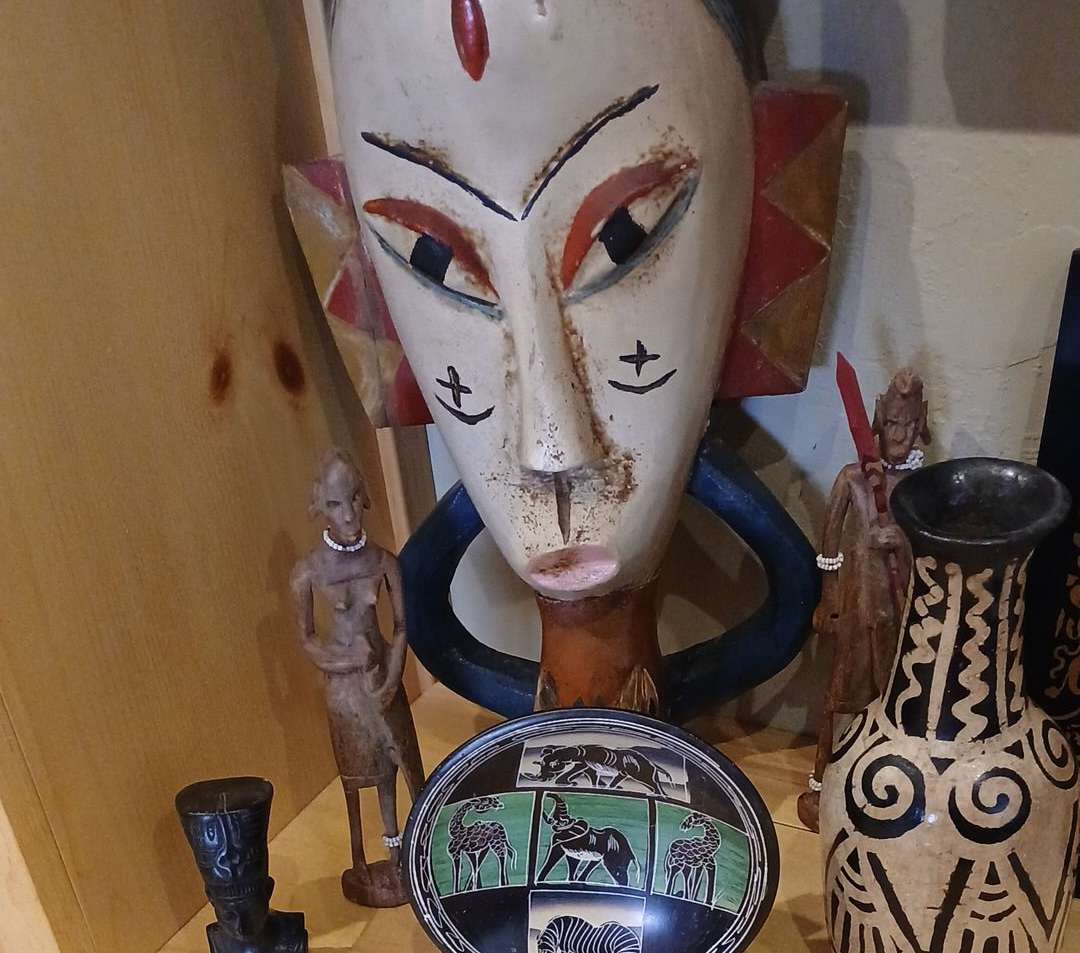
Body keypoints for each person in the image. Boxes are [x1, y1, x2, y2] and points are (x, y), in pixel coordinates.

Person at [797, 369, 931, 832]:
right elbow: (830, 543)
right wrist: (829, 596)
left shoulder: (919, 488)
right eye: (892, 423)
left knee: (895, 695)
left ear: (921, 425)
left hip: (898, 610)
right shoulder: (852, 480)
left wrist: (902, 543)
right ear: (877, 421)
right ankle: (822, 782)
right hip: (857, 606)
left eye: (908, 425)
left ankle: (887, 785)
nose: (900, 435)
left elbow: (930, 550)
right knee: (840, 693)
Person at [290, 448, 423, 906]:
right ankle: (362, 860)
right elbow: (308, 640)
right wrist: (347, 661)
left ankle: (409, 852)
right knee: (358, 780)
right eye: (334, 504)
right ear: (319, 506)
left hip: (384, 678)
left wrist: (393, 675)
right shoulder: (307, 573)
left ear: (363, 497)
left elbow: (402, 627)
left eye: (352, 499)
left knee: (405, 769)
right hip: (345, 693)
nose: (347, 514)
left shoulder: (384, 562)